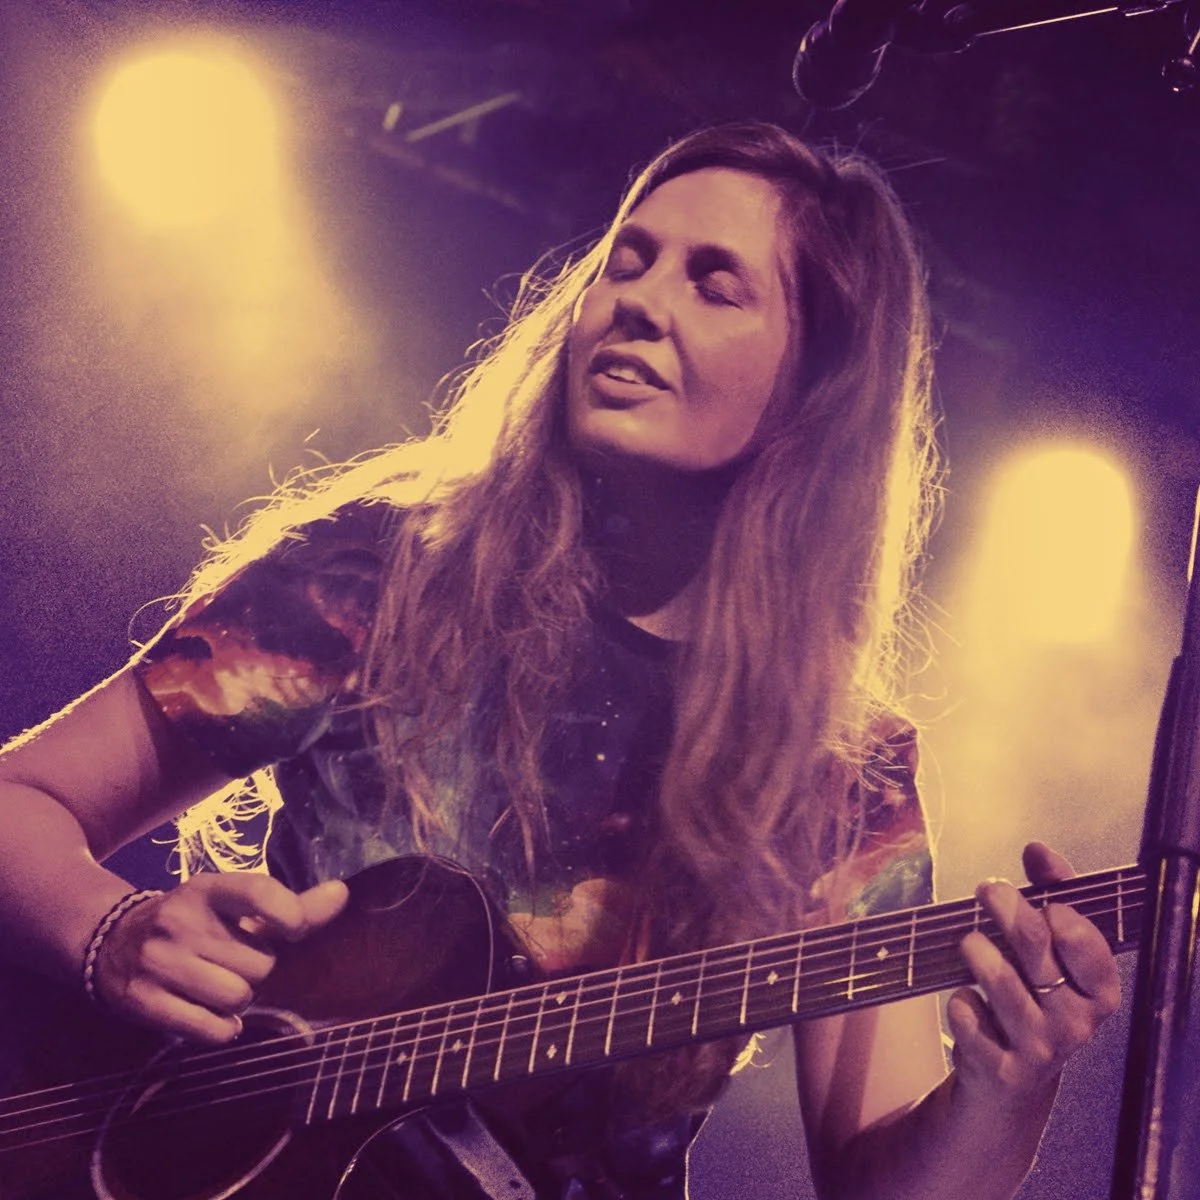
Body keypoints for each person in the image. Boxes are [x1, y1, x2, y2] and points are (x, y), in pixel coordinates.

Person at [0, 121, 1120, 1199]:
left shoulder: (839, 773)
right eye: (625, 261)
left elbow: (883, 1184)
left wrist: (1009, 1086)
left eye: (713, 283)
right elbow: (21, 801)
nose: (636, 300)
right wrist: (110, 933)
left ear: (811, 386)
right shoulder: (380, 578)